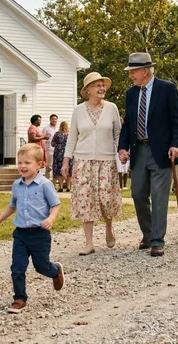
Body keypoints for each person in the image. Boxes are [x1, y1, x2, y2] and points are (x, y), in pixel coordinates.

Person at [118, 53, 178, 257]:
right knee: (137, 193)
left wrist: (176, 144)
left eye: (133, 72)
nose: (131, 76)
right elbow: (128, 123)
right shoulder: (131, 94)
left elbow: (177, 121)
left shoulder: (167, 88)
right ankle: (147, 234)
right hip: (139, 150)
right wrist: (122, 147)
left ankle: (157, 240)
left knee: (158, 195)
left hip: (162, 151)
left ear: (145, 71)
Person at [0, 144, 65, 314]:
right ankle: (19, 298)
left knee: (41, 266)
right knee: (17, 267)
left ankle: (55, 271)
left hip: (40, 234)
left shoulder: (45, 184)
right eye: (20, 162)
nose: (22, 166)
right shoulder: (16, 185)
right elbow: (12, 206)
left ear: (39, 165)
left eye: (27, 163)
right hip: (21, 234)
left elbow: (56, 205)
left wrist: (51, 219)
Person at [62, 72, 123, 255]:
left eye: (103, 85)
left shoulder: (112, 108)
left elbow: (118, 134)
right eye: (97, 85)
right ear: (88, 90)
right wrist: (66, 161)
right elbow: (72, 138)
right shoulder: (78, 110)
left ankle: (109, 226)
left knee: (106, 198)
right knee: (86, 201)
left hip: (106, 160)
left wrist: (122, 152)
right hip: (83, 161)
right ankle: (89, 243)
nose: (102, 88)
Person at [51, 121, 70, 191]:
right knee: (69, 170)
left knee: (59, 169)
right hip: (68, 153)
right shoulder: (70, 134)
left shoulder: (57, 134)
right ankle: (68, 187)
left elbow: (52, 144)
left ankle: (61, 187)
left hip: (58, 153)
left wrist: (58, 145)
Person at [43, 114, 59, 179]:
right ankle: (47, 180)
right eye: (53, 119)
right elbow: (42, 138)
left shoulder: (58, 128)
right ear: (50, 120)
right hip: (49, 149)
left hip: (58, 150)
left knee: (56, 166)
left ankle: (54, 181)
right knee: (49, 167)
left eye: (55, 119)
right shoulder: (46, 128)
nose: (54, 120)